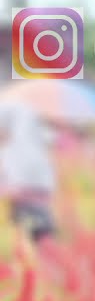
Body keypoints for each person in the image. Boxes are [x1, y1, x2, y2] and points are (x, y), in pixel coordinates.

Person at [0, 103, 57, 243]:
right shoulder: (11, 149)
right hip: (21, 209)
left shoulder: (23, 150)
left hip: (29, 208)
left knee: (36, 241)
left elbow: (20, 184)